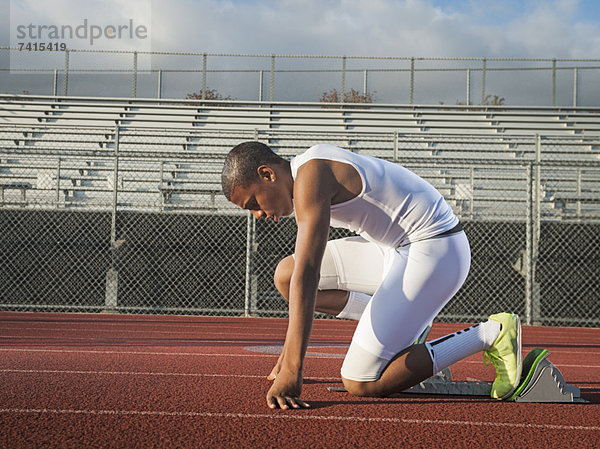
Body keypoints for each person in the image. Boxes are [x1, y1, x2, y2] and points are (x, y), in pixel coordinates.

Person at [221, 141, 522, 410]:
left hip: (437, 249)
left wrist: (292, 368)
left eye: (253, 204)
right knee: (285, 274)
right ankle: (405, 326)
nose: (257, 215)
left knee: (361, 381)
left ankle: (490, 334)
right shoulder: (306, 167)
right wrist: (287, 358)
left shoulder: (310, 178)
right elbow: (299, 274)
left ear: (267, 174)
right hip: (395, 249)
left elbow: (309, 272)